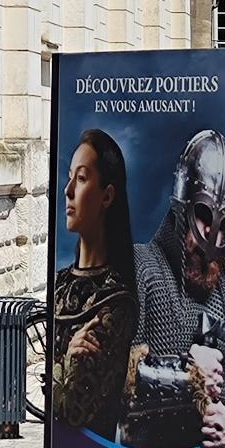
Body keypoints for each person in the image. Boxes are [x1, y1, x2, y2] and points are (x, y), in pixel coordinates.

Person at [124, 128, 225, 448]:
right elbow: (114, 376)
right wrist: (188, 374)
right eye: (203, 214)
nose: (211, 232)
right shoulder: (140, 267)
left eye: (224, 223)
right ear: (181, 208)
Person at [52, 128, 139, 431]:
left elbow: (72, 411)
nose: (68, 190)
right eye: (69, 176)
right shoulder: (61, 283)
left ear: (107, 196)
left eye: (82, 178)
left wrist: (53, 367)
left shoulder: (116, 302)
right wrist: (64, 363)